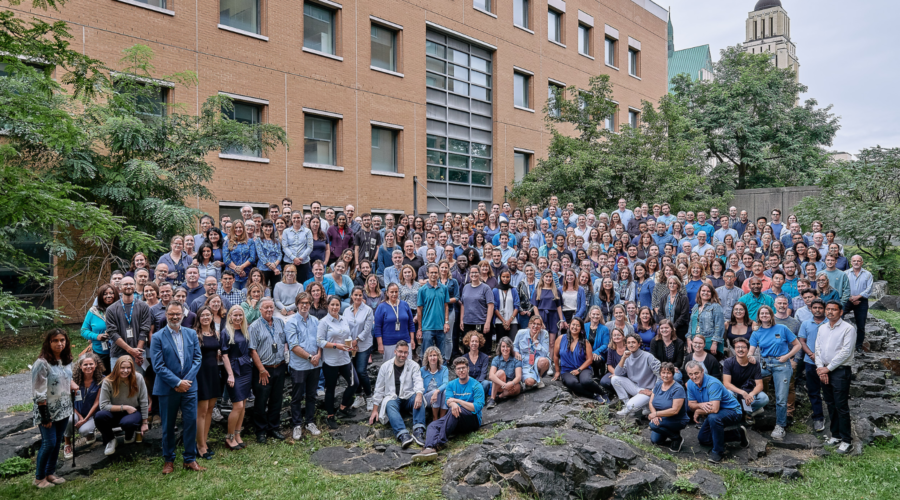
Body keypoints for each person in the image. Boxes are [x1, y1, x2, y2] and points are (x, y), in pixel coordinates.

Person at [149, 301, 204, 473]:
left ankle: (189, 459)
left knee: (190, 423)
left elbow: (197, 358)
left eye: (178, 314)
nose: (174, 317)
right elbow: (158, 366)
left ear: (182, 315)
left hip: (189, 387)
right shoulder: (157, 337)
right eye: (171, 314)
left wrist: (185, 382)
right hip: (167, 388)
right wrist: (177, 383)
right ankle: (169, 460)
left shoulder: (191, 334)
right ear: (166, 315)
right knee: (168, 425)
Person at [412, 357, 485, 463]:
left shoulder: (476, 385)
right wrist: (453, 403)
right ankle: (428, 448)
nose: (461, 371)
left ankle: (438, 444)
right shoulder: (451, 384)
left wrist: (456, 401)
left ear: (468, 369)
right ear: (455, 371)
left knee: (453, 411)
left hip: (472, 419)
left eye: (463, 368)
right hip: (455, 418)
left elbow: (476, 407)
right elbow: (448, 401)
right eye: (458, 368)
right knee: (433, 425)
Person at [31, 330, 77, 488]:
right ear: (48, 343)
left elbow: (67, 378)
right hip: (47, 411)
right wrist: (45, 416)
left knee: (57, 442)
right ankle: (39, 478)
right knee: (48, 443)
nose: (59, 343)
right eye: (55, 340)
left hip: (64, 409)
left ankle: (50, 473)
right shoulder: (42, 363)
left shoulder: (67, 360)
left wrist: (73, 385)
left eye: (62, 340)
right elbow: (38, 390)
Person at [748, 305, 801, 441]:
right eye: (761, 313)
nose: (764, 315)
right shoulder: (756, 333)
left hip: (781, 364)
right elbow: (751, 351)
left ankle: (780, 426)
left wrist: (787, 356)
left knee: (781, 398)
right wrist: (749, 357)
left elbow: (798, 345)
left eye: (767, 313)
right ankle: (754, 408)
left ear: (771, 315)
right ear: (758, 317)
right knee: (746, 381)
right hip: (765, 364)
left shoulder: (782, 329)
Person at [685, 361, 747, 464]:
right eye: (690, 374)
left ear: (702, 371)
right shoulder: (690, 383)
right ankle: (737, 434)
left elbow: (714, 409)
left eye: (696, 373)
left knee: (714, 417)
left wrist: (699, 411)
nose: (694, 377)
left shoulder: (713, 383)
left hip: (733, 411)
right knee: (703, 439)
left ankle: (718, 451)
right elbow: (691, 404)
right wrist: (699, 406)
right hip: (715, 412)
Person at [816, 300, 857, 455]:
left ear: (840, 312)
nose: (830, 312)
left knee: (841, 406)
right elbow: (817, 349)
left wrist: (828, 368)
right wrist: (821, 369)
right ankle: (836, 435)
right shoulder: (822, 328)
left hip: (840, 371)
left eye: (834, 310)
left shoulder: (848, 329)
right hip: (825, 370)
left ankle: (847, 441)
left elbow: (846, 352)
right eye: (828, 309)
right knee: (830, 404)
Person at [368, 340, 426, 448]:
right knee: (389, 404)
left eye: (405, 352)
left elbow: (418, 381)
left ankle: (418, 431)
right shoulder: (385, 367)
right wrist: (375, 410)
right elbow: (379, 389)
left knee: (419, 398)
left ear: (408, 353)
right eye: (400, 352)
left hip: (408, 397)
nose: (402, 355)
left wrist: (419, 394)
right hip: (393, 398)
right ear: (395, 351)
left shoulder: (413, 365)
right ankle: (403, 434)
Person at [247, 298, 288, 443]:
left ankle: (273, 428)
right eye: (266, 308)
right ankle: (261, 431)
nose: (269, 310)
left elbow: (284, 342)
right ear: (260, 309)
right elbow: (252, 350)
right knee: (261, 401)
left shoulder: (279, 322)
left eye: (271, 307)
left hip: (280, 366)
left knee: (276, 400)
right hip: (263, 370)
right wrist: (262, 370)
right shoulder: (254, 326)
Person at [285, 292, 323, 440]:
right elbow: (293, 346)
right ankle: (296, 425)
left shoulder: (315, 321)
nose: (305, 305)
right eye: (302, 303)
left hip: (315, 365)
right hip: (300, 366)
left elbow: (320, 340)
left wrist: (318, 355)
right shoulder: (291, 322)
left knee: (311, 396)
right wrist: (309, 357)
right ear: (297, 304)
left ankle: (310, 422)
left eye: (307, 302)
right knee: (296, 397)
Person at [94, 355, 149, 457]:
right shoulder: (108, 381)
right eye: (122, 368)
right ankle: (110, 440)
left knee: (128, 423)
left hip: (133, 411)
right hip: (114, 411)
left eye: (128, 368)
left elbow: (144, 400)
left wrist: (145, 422)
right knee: (99, 416)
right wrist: (124, 407)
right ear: (117, 368)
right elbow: (103, 406)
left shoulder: (138, 378)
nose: (125, 371)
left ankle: (129, 435)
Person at [317, 295, 359, 430]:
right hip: (331, 361)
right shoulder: (324, 322)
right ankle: (330, 415)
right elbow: (319, 341)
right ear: (328, 306)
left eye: (337, 305)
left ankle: (343, 407)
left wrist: (351, 344)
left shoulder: (344, 319)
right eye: (332, 305)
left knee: (354, 383)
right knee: (330, 389)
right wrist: (336, 345)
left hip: (345, 358)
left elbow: (348, 335)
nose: (335, 307)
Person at [105, 276, 152, 374]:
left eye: (131, 284)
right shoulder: (111, 309)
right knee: (118, 384)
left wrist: (137, 353)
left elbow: (145, 330)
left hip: (138, 354)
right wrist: (131, 350)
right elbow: (112, 333)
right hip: (118, 354)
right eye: (125, 284)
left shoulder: (144, 306)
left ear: (135, 286)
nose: (128, 286)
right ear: (120, 287)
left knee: (137, 384)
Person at [553, 318, 607, 402]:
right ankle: (593, 395)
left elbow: (589, 360)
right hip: (567, 370)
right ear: (569, 325)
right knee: (572, 383)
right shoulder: (560, 338)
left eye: (578, 325)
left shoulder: (586, 342)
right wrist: (557, 371)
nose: (575, 327)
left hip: (583, 368)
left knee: (586, 381)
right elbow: (555, 356)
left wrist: (579, 370)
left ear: (581, 328)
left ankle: (603, 392)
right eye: (573, 324)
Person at [221, 306, 251, 450]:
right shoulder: (226, 332)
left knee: (243, 405)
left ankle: (238, 434)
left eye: (240, 315)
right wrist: (231, 375)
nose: (238, 317)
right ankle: (229, 436)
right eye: (235, 315)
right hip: (234, 370)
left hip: (246, 369)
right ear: (230, 316)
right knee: (237, 405)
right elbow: (224, 355)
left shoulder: (245, 329)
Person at [192, 306, 221, 460]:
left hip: (213, 373)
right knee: (201, 411)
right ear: (199, 317)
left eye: (208, 315)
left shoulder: (215, 333)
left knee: (210, 409)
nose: (205, 317)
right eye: (202, 315)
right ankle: (200, 445)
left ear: (211, 316)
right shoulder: (195, 334)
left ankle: (205, 441)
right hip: (200, 374)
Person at [63, 353, 103, 459]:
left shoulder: (101, 380)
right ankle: (67, 444)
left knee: (84, 430)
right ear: (80, 366)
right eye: (85, 364)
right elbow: (69, 401)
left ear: (96, 365)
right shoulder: (73, 380)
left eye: (91, 364)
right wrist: (80, 417)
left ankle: (90, 434)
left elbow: (97, 403)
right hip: (75, 411)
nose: (88, 367)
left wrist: (85, 419)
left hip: (91, 414)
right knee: (70, 419)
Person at [722, 337, 769, 425]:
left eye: (743, 347)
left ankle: (748, 412)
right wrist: (742, 393)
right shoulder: (728, 362)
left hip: (749, 390)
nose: (740, 349)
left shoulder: (754, 364)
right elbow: (726, 383)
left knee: (764, 398)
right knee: (729, 393)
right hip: (734, 391)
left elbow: (759, 385)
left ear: (748, 349)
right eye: (738, 347)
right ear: (734, 349)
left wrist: (751, 394)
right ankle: (744, 412)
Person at [612, 333, 662, 416]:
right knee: (614, 379)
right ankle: (628, 405)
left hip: (647, 390)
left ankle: (642, 405)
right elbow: (617, 373)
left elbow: (660, 374)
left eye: (633, 342)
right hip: (636, 388)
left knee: (631, 406)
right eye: (628, 343)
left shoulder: (648, 357)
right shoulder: (627, 357)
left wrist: (653, 391)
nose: (631, 345)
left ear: (639, 344)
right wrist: (623, 358)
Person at [647, 362, 690, 452]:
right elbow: (651, 402)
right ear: (660, 373)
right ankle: (670, 432)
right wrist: (655, 414)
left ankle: (676, 438)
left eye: (668, 373)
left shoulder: (678, 389)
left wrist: (656, 413)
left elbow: (675, 410)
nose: (665, 375)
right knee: (656, 441)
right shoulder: (658, 384)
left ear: (673, 374)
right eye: (663, 372)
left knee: (652, 425)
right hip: (661, 416)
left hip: (676, 419)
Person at [344, 287, 375, 411]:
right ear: (352, 296)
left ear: (363, 296)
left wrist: (357, 340)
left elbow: (367, 329)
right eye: (355, 295)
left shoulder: (368, 310)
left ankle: (369, 396)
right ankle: (359, 396)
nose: (357, 297)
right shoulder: (346, 310)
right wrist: (350, 341)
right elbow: (344, 327)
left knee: (361, 371)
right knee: (353, 373)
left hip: (363, 345)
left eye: (360, 295)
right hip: (350, 346)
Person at [82, 284, 118, 375]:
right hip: (100, 352)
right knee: (103, 379)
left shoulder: (121, 309)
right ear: (100, 296)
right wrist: (97, 336)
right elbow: (83, 330)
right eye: (105, 294)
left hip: (119, 350)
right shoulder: (93, 311)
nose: (108, 296)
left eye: (111, 293)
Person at [459, 266, 495, 354]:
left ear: (479, 274)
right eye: (472, 272)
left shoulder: (486, 288)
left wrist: (487, 323)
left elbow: (490, 306)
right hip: (467, 322)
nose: (474, 274)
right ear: (469, 274)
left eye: (476, 272)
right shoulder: (466, 287)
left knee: (481, 348)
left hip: (480, 322)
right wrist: (461, 320)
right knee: (467, 348)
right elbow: (463, 305)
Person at [417, 264, 450, 358]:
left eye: (435, 272)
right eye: (431, 272)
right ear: (427, 274)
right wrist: (419, 328)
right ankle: (426, 372)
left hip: (441, 326)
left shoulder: (444, 288)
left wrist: (446, 322)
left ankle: (443, 372)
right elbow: (419, 309)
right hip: (427, 327)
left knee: (441, 355)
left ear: (438, 274)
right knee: (427, 355)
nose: (433, 274)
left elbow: (446, 305)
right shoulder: (422, 290)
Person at [513, 316, 552, 390]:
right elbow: (514, 346)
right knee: (529, 382)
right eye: (533, 323)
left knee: (544, 361)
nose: (535, 326)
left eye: (538, 324)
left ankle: (539, 378)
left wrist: (535, 341)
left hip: (537, 361)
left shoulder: (545, 334)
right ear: (529, 324)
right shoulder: (521, 333)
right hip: (524, 362)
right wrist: (517, 353)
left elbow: (544, 353)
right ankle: (528, 379)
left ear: (541, 326)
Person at [845, 255, 872, 354]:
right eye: (854, 261)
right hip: (848, 299)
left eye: (858, 261)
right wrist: (851, 298)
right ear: (851, 262)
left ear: (862, 262)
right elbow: (843, 287)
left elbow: (869, 289)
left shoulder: (868, 274)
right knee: (838, 316)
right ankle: (843, 343)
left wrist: (858, 297)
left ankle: (858, 346)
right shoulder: (846, 273)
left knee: (861, 325)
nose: (856, 262)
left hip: (862, 301)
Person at [486, 337, 523, 408]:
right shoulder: (496, 359)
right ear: (500, 347)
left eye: (508, 346)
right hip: (500, 385)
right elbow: (491, 376)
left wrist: (511, 384)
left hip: (512, 385)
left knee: (517, 388)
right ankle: (492, 399)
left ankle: (499, 397)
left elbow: (518, 377)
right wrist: (505, 384)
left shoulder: (516, 359)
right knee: (500, 372)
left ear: (511, 348)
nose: (505, 349)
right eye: (503, 346)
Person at [689, 284, 725, 357]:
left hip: (709, 342)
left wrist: (715, 343)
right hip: (696, 343)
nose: (706, 293)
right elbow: (691, 324)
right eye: (703, 291)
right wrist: (688, 339)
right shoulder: (696, 306)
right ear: (699, 292)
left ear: (712, 294)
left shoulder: (716, 306)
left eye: (708, 291)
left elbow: (719, 326)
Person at [282, 210, 314, 283]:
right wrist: (293, 258)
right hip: (289, 261)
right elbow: (285, 247)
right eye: (294, 218)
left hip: (303, 262)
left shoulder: (307, 231)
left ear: (301, 218)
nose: (296, 220)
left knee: (303, 282)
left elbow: (310, 247)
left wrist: (301, 258)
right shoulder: (286, 231)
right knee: (288, 282)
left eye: (298, 217)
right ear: (291, 219)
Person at [421, 346, 450, 420]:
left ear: (438, 357)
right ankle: (435, 418)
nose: (432, 358)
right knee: (437, 392)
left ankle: (442, 418)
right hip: (426, 397)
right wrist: (436, 392)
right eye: (430, 356)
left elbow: (446, 383)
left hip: (438, 394)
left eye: (434, 355)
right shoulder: (422, 370)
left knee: (445, 391)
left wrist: (437, 391)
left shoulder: (444, 369)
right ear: (427, 358)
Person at [662, 276, 690, 342]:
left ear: (678, 285)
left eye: (674, 283)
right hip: (665, 330)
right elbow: (660, 312)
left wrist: (673, 326)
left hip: (679, 329)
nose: (672, 285)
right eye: (670, 283)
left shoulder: (683, 298)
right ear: (668, 285)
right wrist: (665, 325)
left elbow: (684, 315)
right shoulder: (664, 298)